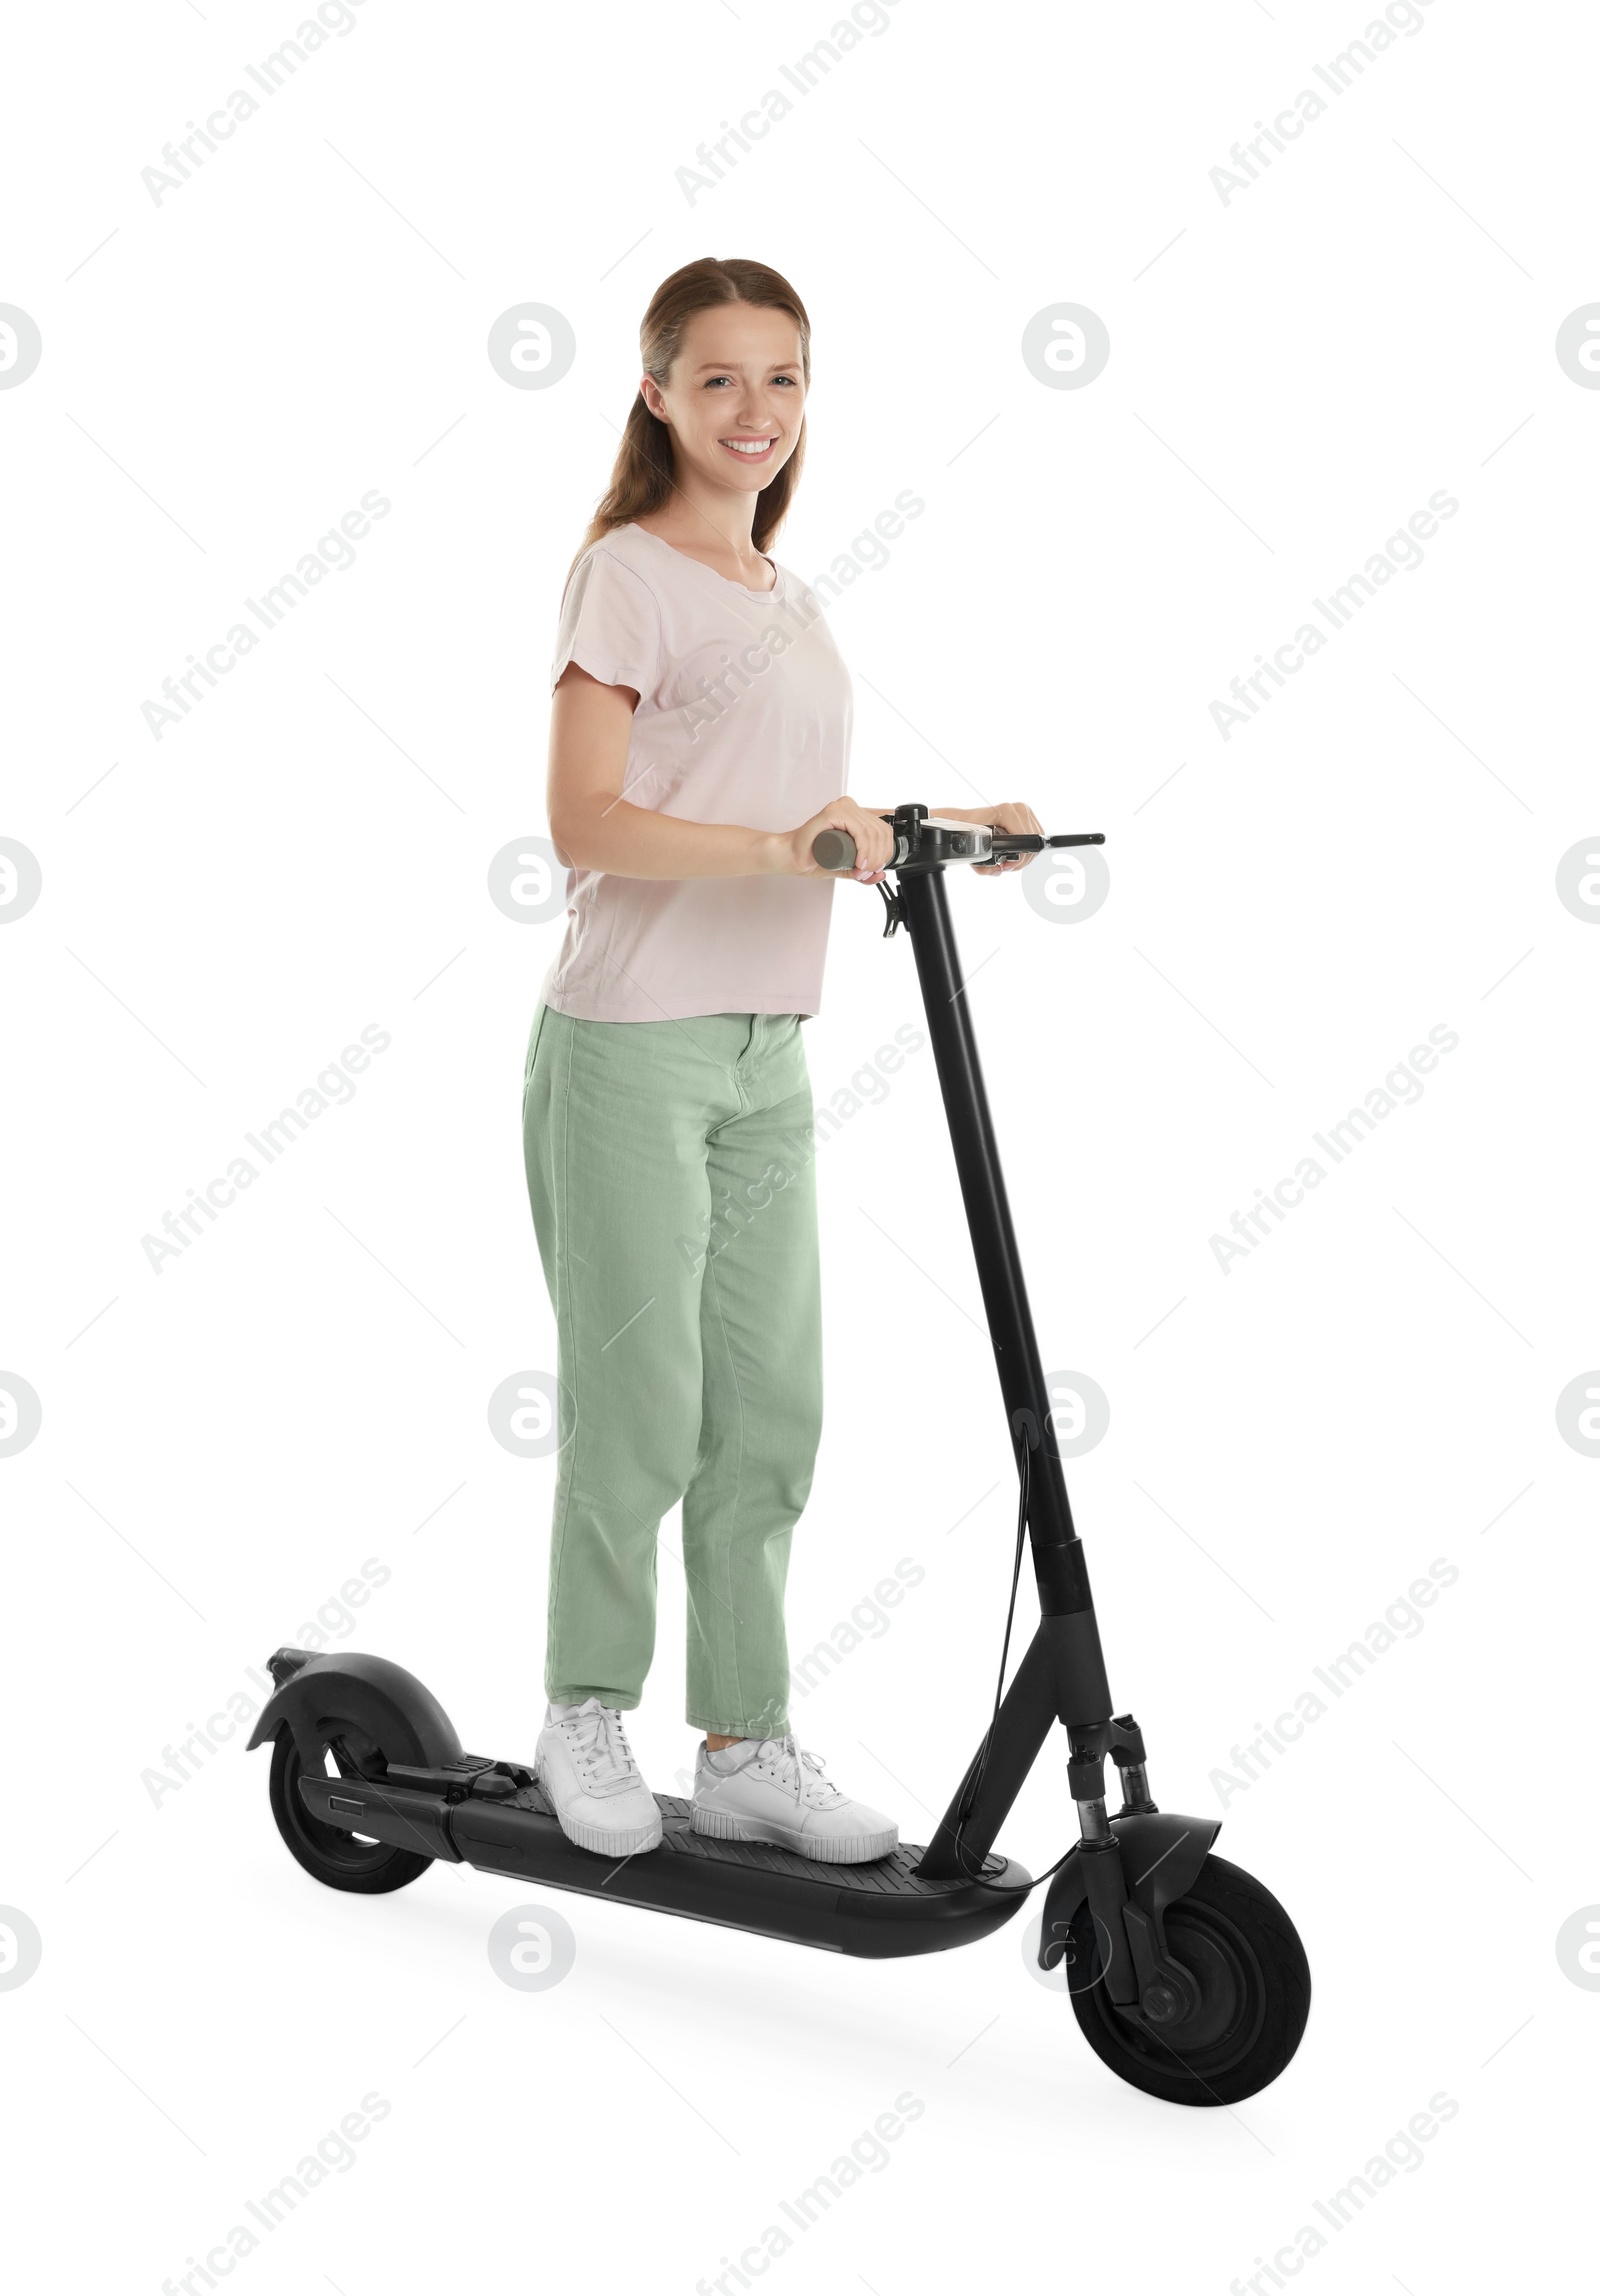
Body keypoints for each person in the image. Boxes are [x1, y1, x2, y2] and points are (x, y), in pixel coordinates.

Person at [522, 254, 1041, 1864]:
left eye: (787, 378)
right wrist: (781, 852)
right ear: (659, 395)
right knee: (645, 1405)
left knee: (770, 1413)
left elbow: (812, 811)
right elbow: (583, 821)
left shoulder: (787, 596)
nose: (758, 410)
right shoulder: (626, 572)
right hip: (627, 1048)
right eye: (724, 379)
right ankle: (583, 1712)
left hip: (767, 1055)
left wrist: (957, 826)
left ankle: (745, 1740)